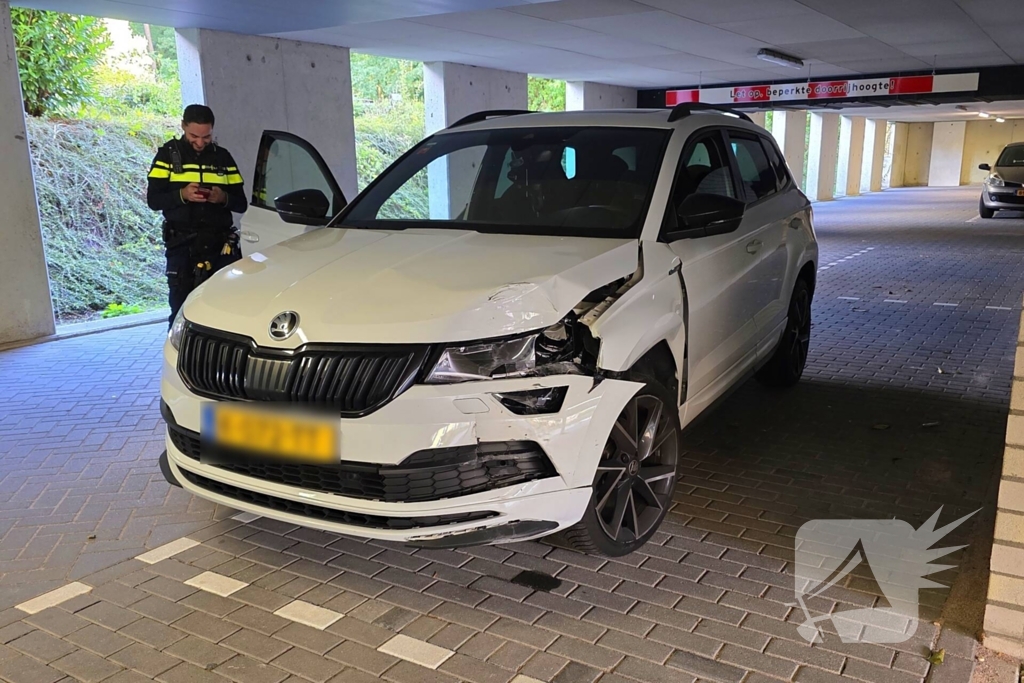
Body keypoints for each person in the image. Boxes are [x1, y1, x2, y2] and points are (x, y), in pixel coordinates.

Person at [147, 104, 247, 325]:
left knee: (224, 312)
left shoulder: (223, 158)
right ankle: (179, 357)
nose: (200, 143)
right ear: (183, 126)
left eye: (207, 137)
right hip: (182, 245)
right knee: (180, 312)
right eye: (194, 136)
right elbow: (153, 200)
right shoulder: (167, 156)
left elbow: (241, 204)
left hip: (219, 246)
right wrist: (182, 194)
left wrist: (222, 198)